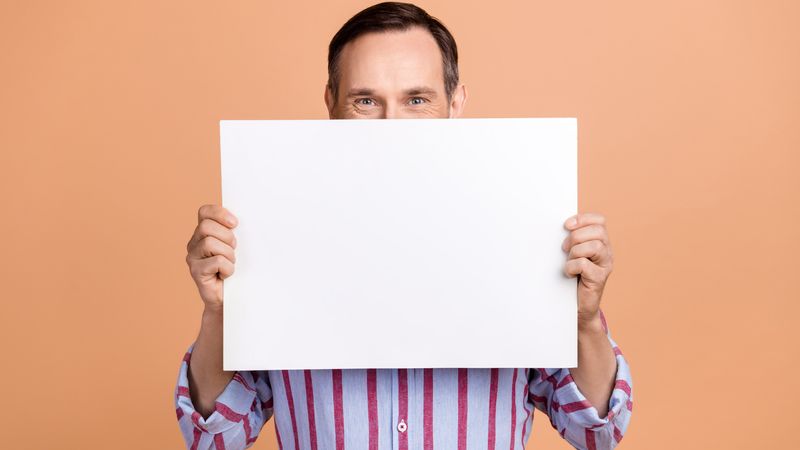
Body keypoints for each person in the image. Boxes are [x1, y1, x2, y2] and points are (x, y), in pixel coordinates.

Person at [174, 3, 633, 449]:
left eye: (417, 100)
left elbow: (595, 432)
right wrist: (219, 312)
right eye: (365, 101)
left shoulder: (523, 228)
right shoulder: (272, 233)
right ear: (331, 104)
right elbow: (214, 438)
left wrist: (584, 321)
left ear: (455, 105)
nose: (390, 126)